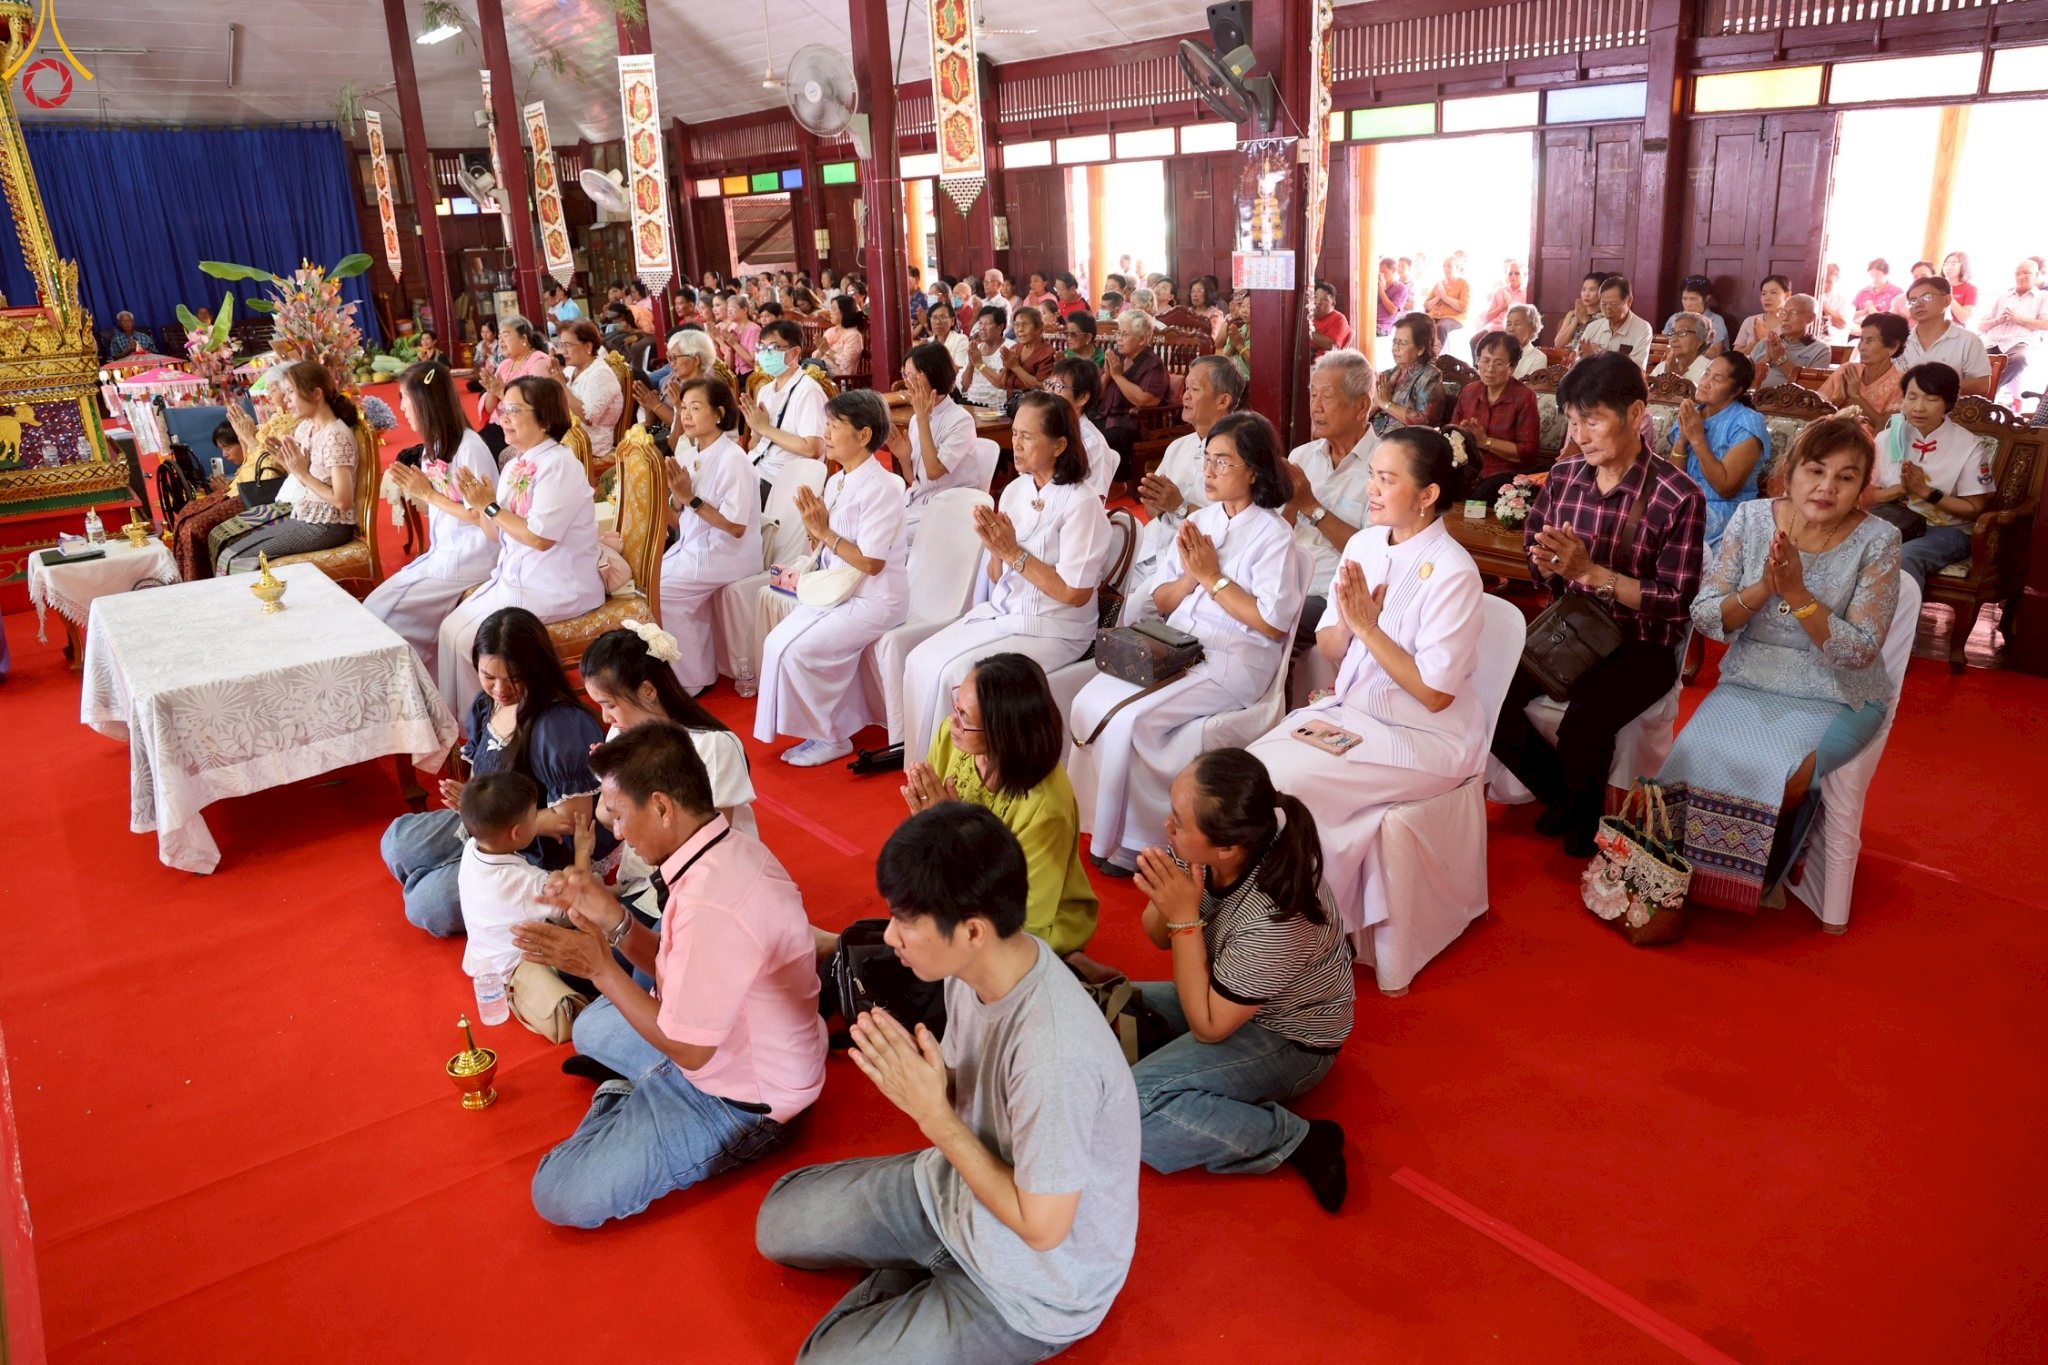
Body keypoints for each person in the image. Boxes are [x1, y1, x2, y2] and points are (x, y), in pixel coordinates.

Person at [755, 802, 1139, 1364]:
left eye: (906, 921)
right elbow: (967, 1088)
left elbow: (1043, 1227)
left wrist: (931, 1112)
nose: (890, 936)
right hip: (957, 1189)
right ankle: (924, 1264)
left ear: (972, 931)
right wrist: (924, 1077)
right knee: (776, 1224)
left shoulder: (1054, 1054)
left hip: (1035, 1283)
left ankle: (924, 1272)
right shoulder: (972, 970)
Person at [521, 722, 825, 1227]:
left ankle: (631, 1094)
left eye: (618, 815)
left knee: (558, 1192)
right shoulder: (723, 847)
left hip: (742, 1099)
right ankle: (633, 1090)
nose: (616, 832)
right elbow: (675, 958)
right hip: (737, 1046)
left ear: (662, 805)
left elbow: (689, 1050)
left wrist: (599, 969)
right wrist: (612, 917)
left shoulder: (713, 901)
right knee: (591, 1028)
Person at [1248, 426, 1484, 935]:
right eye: (1372, 476)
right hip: (1355, 711)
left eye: (1385, 479)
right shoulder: (1364, 544)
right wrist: (1354, 626)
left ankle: (1302, 927)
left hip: (1422, 735)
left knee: (1284, 786)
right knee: (1250, 769)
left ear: (1427, 495)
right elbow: (1332, 647)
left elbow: (1435, 693)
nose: (1371, 489)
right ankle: (1262, 914)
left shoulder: (1454, 572)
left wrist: (1370, 628)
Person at [1659, 417, 1901, 911]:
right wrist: (1764, 587)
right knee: (1689, 756)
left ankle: (1752, 877)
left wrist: (1797, 594)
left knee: (1779, 776)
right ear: (1789, 472)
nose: (1827, 487)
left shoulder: (1879, 539)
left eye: (1846, 476)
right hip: (1752, 678)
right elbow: (1706, 615)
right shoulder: (1751, 520)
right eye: (1815, 470)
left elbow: (1860, 651)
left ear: (1862, 487)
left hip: (1840, 692)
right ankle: (1689, 878)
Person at [1489, 354, 1706, 856]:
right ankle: (1565, 798)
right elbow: (1533, 546)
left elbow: (1674, 604)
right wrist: (1547, 561)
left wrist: (1592, 574)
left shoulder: (1677, 495)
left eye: (1592, 420)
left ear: (1635, 415)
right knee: (1491, 695)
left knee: (1585, 722)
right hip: (1570, 627)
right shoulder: (1565, 476)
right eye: (1571, 421)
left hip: (1641, 643)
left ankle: (1580, 830)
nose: (1580, 435)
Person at [1070, 411, 1304, 876]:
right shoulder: (1202, 522)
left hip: (1236, 657)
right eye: (1207, 461)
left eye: (1223, 462)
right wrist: (1193, 580)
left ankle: (1134, 841)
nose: (1210, 472)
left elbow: (1272, 625)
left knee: (1132, 718)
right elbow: (1162, 599)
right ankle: (1099, 821)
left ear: (1254, 470)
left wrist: (1212, 578)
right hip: (1182, 642)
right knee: (1088, 699)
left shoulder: (1274, 536)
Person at [1125, 749, 1352, 1210]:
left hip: (1288, 1038)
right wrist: (1169, 897)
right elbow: (1157, 937)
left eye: (1178, 821)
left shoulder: (1276, 918)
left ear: (1227, 846)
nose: (1168, 827)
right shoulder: (1206, 843)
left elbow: (1209, 1025)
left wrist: (1185, 918)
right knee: (1105, 1004)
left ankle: (1298, 1138)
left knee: (1134, 1107)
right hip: (1223, 995)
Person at [900, 392, 1112, 761]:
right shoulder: (1015, 490)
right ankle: (924, 767)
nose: (1015, 444)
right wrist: (995, 550)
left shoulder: (1082, 503)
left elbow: (1075, 592)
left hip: (1055, 626)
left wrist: (1013, 552)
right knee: (921, 658)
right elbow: (999, 576)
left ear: (1060, 444)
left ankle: (961, 775)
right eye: (1014, 434)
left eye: (1027, 437)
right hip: (1005, 614)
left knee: (958, 674)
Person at [382, 607, 610, 936]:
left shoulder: (559, 724)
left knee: (429, 905)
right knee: (397, 841)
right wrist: (472, 802)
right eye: (489, 676)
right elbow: (480, 779)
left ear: (537, 669)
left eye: (514, 678)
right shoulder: (486, 704)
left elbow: (571, 820)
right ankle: (465, 874)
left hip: (538, 840)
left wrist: (492, 823)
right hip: (493, 823)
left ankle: (464, 876)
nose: (500, 689)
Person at [896, 655, 1099, 954]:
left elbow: (1022, 915)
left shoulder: (1045, 809)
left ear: (1003, 732)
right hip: (961, 884)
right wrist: (933, 831)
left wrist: (951, 837)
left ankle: (1065, 961)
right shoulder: (951, 737)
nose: (953, 722)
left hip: (1022, 918)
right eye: (957, 707)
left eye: (966, 718)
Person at [433, 376, 606, 716]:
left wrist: (491, 507)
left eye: (514, 410)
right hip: (517, 577)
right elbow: (498, 533)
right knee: (449, 629)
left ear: (543, 418)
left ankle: (502, 723)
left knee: (472, 643)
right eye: (503, 408)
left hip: (556, 584)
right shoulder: (515, 464)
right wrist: (479, 504)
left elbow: (540, 539)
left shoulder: (559, 465)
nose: (503, 417)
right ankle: (472, 731)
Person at [755, 389, 909, 767]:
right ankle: (817, 729)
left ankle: (833, 735)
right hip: (839, 591)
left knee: (801, 650)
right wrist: (815, 530)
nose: (826, 432)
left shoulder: (883, 487)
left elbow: (871, 563)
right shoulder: (838, 480)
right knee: (777, 642)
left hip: (875, 599)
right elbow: (828, 544)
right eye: (826, 423)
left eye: (835, 426)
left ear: (863, 435)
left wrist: (824, 533)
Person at [373, 361, 501, 677]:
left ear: (426, 402)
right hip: (445, 552)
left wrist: (428, 493)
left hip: (470, 556)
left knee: (385, 618)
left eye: (405, 397)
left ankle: (414, 690)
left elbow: (481, 515)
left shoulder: (469, 447)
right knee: (377, 607)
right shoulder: (438, 445)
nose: (400, 407)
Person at [457, 770, 590, 1041]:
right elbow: (579, 902)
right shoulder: (524, 882)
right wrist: (583, 851)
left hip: (484, 958)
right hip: (519, 969)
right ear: (516, 832)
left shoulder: (472, 848)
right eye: (535, 817)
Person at [657, 376, 763, 692]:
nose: (686, 415)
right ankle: (683, 672)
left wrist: (689, 498)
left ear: (718, 413)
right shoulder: (691, 454)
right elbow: (679, 521)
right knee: (644, 583)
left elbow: (735, 526)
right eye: (684, 408)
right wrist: (652, 495)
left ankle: (693, 680)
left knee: (662, 593)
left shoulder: (734, 459)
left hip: (727, 554)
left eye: (696, 407)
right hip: (694, 549)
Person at [217, 360, 361, 572]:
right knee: (229, 553)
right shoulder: (306, 428)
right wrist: (289, 465)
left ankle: (267, 602)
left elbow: (342, 501)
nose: (286, 400)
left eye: (291, 392)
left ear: (316, 393)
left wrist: (301, 472)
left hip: (328, 526)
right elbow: (307, 479)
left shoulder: (336, 436)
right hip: (305, 517)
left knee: (240, 560)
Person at [1868, 362, 1994, 587]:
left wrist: (1925, 492)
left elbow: (1975, 508)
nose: (1918, 407)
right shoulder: (1888, 438)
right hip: (1893, 522)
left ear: (1948, 403)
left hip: (1945, 530)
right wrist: (1901, 489)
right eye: (1912, 397)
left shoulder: (1967, 445)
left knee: (1903, 558)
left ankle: (1896, 622)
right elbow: (1868, 496)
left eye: (1931, 399)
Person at [1283, 349, 1378, 631]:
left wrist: (1312, 506)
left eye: (1327, 396)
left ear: (1362, 406)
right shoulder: (1301, 456)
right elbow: (1274, 530)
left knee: (1268, 621)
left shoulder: (1384, 467)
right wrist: (1290, 502)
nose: (1316, 407)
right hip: (1281, 582)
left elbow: (1373, 553)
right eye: (1313, 395)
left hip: (1330, 594)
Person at [1130, 354, 1244, 588]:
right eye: (1186, 388)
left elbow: (1237, 529)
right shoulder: (1178, 446)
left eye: (1195, 389)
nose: (1186, 396)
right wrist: (1161, 504)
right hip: (1152, 546)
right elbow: (1152, 508)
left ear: (1222, 401)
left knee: (1133, 610)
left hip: (1197, 565)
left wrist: (1179, 507)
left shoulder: (1242, 455)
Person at [1669, 351, 1769, 548]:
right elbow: (1674, 481)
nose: (1705, 382)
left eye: (1716, 379)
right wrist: (1682, 439)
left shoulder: (1747, 421)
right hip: (1684, 506)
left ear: (1736, 390)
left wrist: (1697, 438)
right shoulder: (1692, 414)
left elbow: (1726, 488)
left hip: (1726, 514)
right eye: (1706, 373)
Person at [893, 339, 983, 539]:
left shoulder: (960, 420)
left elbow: (934, 472)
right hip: (921, 503)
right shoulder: (917, 418)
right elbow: (916, 481)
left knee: (888, 537)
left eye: (912, 375)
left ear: (933, 375)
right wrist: (904, 458)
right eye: (904, 374)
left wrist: (923, 420)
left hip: (951, 507)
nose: (906, 382)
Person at [738, 318, 829, 499]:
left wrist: (765, 428)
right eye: (761, 348)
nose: (765, 354)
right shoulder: (765, 390)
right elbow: (753, 445)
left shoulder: (808, 391)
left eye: (772, 348)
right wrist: (756, 431)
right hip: (755, 468)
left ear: (795, 352)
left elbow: (813, 449)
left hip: (781, 480)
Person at [1452, 330, 1542, 501]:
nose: (1489, 369)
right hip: (1469, 470)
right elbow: (1453, 434)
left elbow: (1528, 452)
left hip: (1505, 475)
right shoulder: (1469, 392)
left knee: (1482, 493)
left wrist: (1485, 442)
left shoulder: (1524, 397)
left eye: (1498, 363)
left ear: (1512, 367)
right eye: (1485, 360)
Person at [1097, 310, 1169, 486]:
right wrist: (1107, 375)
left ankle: (1115, 486)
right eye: (1118, 333)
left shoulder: (1152, 363)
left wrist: (1118, 376)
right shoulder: (1117, 356)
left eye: (1125, 334)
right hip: (1107, 415)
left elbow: (1146, 400)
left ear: (1143, 339)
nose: (1118, 339)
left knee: (1108, 438)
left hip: (1134, 421)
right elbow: (1096, 392)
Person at [1898, 275, 1992, 397]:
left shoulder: (1968, 341)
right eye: (1912, 301)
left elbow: (1982, 385)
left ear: (1947, 300)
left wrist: (1932, 388)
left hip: (1950, 413)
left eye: (1927, 297)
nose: (1918, 304)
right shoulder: (1900, 341)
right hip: (1902, 413)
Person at [550, 319, 624, 465]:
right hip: (567, 439)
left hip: (591, 445)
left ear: (588, 346)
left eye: (568, 345)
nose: (563, 351)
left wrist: (562, 387)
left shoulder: (601, 374)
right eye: (561, 345)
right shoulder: (571, 370)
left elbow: (588, 417)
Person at [1817, 312, 1910, 427]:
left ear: (1893, 347)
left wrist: (1856, 397)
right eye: (1861, 339)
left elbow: (1887, 429)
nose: (1861, 347)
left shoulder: (1902, 384)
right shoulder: (1846, 370)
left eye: (1870, 341)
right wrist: (1838, 401)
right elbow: (1813, 414)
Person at [1043, 354, 1116, 498]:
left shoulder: (1092, 445)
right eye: (1049, 384)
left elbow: (1096, 499)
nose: (1049, 393)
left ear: (1082, 397)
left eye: (1058, 387)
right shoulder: (1046, 428)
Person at [1977, 257, 2046, 403]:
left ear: (2037, 275)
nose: (2021, 277)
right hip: (1993, 341)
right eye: (2017, 274)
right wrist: (1998, 320)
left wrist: (2019, 319)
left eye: (2026, 273)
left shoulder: (2042, 297)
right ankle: (1977, 395)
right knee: (1971, 358)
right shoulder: (2003, 296)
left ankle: (1986, 394)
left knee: (2019, 359)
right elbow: (1980, 325)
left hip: (2019, 342)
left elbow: (2045, 324)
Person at [1370, 313, 1447, 436]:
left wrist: (1386, 404)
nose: (1395, 348)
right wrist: (1375, 405)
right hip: (1376, 437)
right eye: (1394, 342)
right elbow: (1366, 413)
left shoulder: (1430, 376)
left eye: (1402, 343)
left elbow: (1426, 422)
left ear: (1421, 348)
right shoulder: (1389, 374)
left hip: (1407, 444)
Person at [477, 317, 552, 426]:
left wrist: (500, 392)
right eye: (500, 336)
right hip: (502, 423)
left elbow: (534, 408)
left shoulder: (538, 362)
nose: (501, 340)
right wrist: (491, 391)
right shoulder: (505, 365)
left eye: (506, 336)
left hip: (527, 428)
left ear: (524, 339)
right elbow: (489, 408)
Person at [1747, 293, 1828, 389]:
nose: (1785, 318)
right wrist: (1768, 357)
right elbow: (1744, 378)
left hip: (1786, 401)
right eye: (1783, 313)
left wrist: (1780, 359)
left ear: (1810, 318)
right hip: (1752, 398)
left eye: (1793, 313)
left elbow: (1810, 389)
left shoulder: (1820, 350)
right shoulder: (1765, 343)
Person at [1578, 275, 1654, 368]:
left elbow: (1637, 370)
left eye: (1613, 304)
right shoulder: (1593, 327)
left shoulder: (1642, 329)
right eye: (1603, 304)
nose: (1607, 309)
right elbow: (1577, 361)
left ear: (1629, 301)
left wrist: (1601, 354)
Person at [997, 302, 1058, 394]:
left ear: (1039, 327)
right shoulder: (1015, 348)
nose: (1020, 329)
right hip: (1011, 403)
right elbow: (1001, 384)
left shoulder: (1047, 352)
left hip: (1034, 405)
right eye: (1016, 325)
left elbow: (1043, 388)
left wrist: (1015, 367)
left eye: (1025, 324)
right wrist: (1007, 366)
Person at [958, 305, 1011, 407]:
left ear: (1000, 327)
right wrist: (971, 363)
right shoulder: (976, 348)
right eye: (980, 323)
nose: (982, 328)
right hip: (972, 403)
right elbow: (964, 386)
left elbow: (1001, 384)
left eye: (987, 324)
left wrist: (979, 364)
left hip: (998, 405)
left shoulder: (1010, 348)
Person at [1668, 276, 1731, 354]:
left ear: (1707, 298)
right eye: (1684, 298)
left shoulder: (1715, 320)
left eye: (1693, 299)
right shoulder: (1674, 318)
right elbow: (1663, 344)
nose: (1687, 304)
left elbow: (1716, 350)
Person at [1732, 274, 1791, 356]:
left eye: (1773, 292)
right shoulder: (1750, 321)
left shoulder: (1791, 324)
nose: (1767, 298)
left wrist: (1765, 340)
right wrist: (1755, 342)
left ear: (1787, 295)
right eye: (1763, 293)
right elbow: (1735, 355)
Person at [1423, 252, 1471, 350]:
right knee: (1419, 323)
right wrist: (1438, 297)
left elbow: (1463, 307)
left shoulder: (1463, 283)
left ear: (1457, 268)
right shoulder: (1439, 284)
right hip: (1435, 315)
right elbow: (1426, 306)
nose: (1446, 269)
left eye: (1449, 266)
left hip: (1453, 317)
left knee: (1441, 327)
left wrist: (1445, 297)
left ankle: (1435, 356)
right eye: (1444, 266)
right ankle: (1419, 354)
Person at [1653, 312, 1713, 386]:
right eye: (1672, 333)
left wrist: (1672, 379)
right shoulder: (1662, 366)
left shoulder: (1709, 371)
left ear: (1699, 341)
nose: (1673, 339)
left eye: (1682, 332)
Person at [1554, 272, 1608, 349]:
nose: (1586, 294)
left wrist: (1586, 321)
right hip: (1566, 357)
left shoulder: (1605, 317)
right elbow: (1558, 344)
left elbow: (1596, 347)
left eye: (1591, 290)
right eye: (1584, 289)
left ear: (1602, 292)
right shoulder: (1571, 314)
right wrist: (1576, 319)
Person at [820, 294, 867, 376]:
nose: (830, 312)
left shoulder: (854, 335)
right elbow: (818, 357)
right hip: (822, 373)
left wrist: (827, 350)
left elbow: (846, 364)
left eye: (833, 309)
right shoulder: (829, 331)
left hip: (839, 380)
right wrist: (820, 349)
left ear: (844, 312)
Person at [1374, 257, 1410, 355]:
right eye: (1379, 272)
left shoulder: (1401, 288)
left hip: (1381, 326)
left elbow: (1393, 310)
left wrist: (1381, 290)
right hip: (1369, 321)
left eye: (1383, 272)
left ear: (1393, 270)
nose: (1380, 275)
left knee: (1363, 334)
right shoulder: (1374, 285)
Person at [925, 296, 971, 373]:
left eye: (942, 317)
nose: (938, 322)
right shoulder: (928, 342)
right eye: (934, 317)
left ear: (952, 320)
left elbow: (959, 370)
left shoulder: (961, 340)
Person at [1505, 302, 1548, 379]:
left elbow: (1532, 389)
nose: (1511, 329)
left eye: (1517, 324)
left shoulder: (1538, 358)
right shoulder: (1500, 353)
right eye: (1509, 324)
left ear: (1532, 329)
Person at [1480, 260, 1525, 332]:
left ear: (1523, 275)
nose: (1513, 276)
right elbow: (1488, 317)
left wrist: (1510, 305)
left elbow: (1527, 319)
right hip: (1494, 327)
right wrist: (1501, 307)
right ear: (1507, 276)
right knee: (1474, 341)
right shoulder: (1500, 291)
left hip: (1512, 329)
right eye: (1510, 273)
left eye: (1517, 273)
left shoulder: (1528, 293)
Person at [1309, 279, 1352, 352]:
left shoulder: (1339, 319)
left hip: (1323, 361)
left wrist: (1308, 332)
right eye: (1315, 297)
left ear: (1333, 304)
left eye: (1324, 299)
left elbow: (1332, 345)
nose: (1318, 302)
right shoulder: (1308, 315)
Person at [1186, 274, 1227, 343]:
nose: (1195, 295)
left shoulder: (1215, 314)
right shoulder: (1187, 312)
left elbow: (1212, 339)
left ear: (1208, 293)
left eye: (1199, 291)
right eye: (1192, 291)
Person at [1942, 251, 1977, 326]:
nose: (1948, 267)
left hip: (1955, 327)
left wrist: (1950, 297)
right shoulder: (1936, 284)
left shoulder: (1970, 288)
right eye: (1946, 264)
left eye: (1953, 264)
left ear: (1963, 265)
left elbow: (1964, 319)